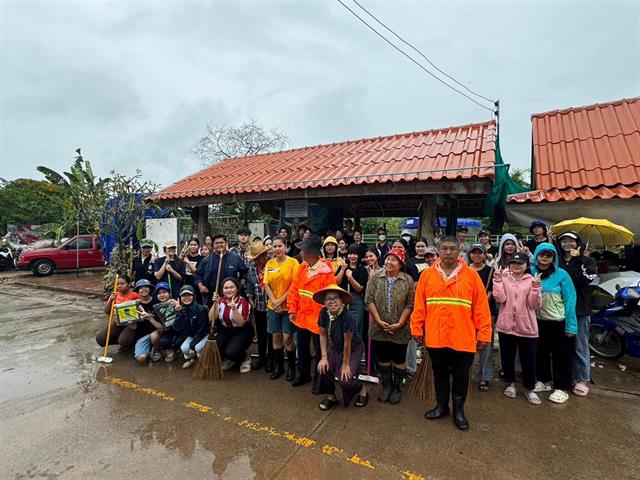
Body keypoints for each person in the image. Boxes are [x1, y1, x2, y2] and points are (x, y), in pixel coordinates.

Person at [410, 236, 492, 430]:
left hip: (463, 338)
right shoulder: (427, 275)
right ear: (438, 250)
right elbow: (419, 306)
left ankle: (458, 411)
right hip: (436, 337)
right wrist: (416, 328)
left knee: (461, 376)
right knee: (439, 374)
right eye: (444, 248)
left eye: (452, 249)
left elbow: (481, 308)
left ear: (459, 251)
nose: (448, 252)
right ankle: (441, 406)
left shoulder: (471, 276)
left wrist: (484, 334)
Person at [365, 248, 415, 404]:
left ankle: (396, 387)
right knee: (383, 357)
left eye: (394, 259)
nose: (389, 262)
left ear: (401, 264)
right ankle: (386, 386)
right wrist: (379, 321)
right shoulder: (375, 278)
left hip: (400, 328)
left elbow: (410, 303)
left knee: (399, 358)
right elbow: (369, 300)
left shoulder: (407, 280)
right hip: (379, 327)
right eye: (387, 259)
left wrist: (400, 323)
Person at [492, 252, 543, 404]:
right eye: (513, 262)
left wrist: (535, 287)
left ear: (527, 265)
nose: (516, 265)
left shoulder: (532, 280)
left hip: (527, 327)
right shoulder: (505, 279)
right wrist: (498, 279)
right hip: (506, 326)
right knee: (507, 358)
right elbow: (500, 298)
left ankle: (530, 388)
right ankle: (511, 383)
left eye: (520, 263)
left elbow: (535, 305)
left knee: (529, 360)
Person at [530, 243, 577, 404]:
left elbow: (570, 299)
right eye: (542, 255)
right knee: (540, 353)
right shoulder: (530, 272)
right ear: (536, 255)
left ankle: (561, 387)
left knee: (561, 356)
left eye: (549, 255)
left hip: (558, 322)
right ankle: (543, 380)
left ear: (554, 257)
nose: (545, 258)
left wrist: (571, 325)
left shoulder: (562, 274)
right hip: (537, 321)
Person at [287, 235, 336, 388]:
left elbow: (331, 296)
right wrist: (292, 310)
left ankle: (319, 379)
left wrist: (326, 318)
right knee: (302, 348)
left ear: (312, 253)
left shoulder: (326, 271)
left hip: (318, 319)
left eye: (303, 250)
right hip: (302, 317)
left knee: (320, 350)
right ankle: (304, 374)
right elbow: (294, 290)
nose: (301, 252)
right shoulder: (302, 267)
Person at [556, 231, 597, 397]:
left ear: (577, 243)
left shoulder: (589, 261)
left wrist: (577, 259)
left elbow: (583, 280)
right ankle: (567, 375)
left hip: (580, 310)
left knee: (580, 345)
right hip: (561, 309)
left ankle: (582, 378)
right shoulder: (558, 261)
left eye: (571, 241)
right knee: (564, 346)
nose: (567, 244)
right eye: (564, 241)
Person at [315, 285, 368, 409]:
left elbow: (347, 344)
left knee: (345, 378)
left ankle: (362, 388)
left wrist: (345, 365)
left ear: (342, 301)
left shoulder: (348, 316)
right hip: (335, 346)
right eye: (328, 299)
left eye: (335, 298)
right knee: (323, 368)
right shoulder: (323, 312)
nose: (332, 301)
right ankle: (331, 396)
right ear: (324, 301)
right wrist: (323, 357)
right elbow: (322, 335)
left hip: (353, 348)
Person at [264, 236, 299, 381]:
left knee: (287, 338)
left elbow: (295, 285)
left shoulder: (293, 263)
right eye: (274, 246)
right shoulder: (269, 264)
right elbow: (266, 284)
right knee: (276, 337)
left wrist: (280, 301)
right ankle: (279, 367)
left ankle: (292, 367)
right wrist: (274, 302)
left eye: (280, 246)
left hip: (288, 306)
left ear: (285, 246)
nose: (277, 249)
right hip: (273, 307)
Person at [467, 243, 496, 392]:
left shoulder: (491, 271)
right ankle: (466, 373)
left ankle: (484, 376)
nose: (476, 255)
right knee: (467, 345)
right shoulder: (464, 271)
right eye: (474, 252)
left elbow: (490, 293)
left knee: (486, 345)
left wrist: (479, 305)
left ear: (485, 255)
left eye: (480, 253)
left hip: (485, 312)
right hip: (466, 314)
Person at [209, 278, 254, 373]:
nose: (229, 290)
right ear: (222, 290)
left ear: (237, 289)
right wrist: (215, 304)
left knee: (232, 352)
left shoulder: (243, 302)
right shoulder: (220, 300)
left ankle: (245, 358)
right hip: (226, 330)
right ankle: (231, 359)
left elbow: (241, 323)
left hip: (242, 331)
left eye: (231, 287)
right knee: (215, 346)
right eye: (226, 288)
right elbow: (211, 318)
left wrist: (234, 309)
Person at [195, 234, 248, 306]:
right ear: (213, 245)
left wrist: (241, 283)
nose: (219, 245)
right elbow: (198, 274)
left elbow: (244, 271)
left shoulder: (235, 258)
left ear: (226, 244)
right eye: (216, 243)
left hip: (231, 295)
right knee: (212, 316)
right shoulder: (206, 260)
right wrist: (200, 286)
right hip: (212, 296)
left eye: (221, 243)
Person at [246, 240, 274, 372]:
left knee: (272, 333)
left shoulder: (272, 264)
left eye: (258, 257)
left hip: (273, 305)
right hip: (259, 305)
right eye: (255, 258)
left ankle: (271, 359)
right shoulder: (252, 266)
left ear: (264, 255)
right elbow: (250, 284)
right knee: (261, 333)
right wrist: (250, 297)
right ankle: (262, 357)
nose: (257, 260)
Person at [96, 274, 140, 350]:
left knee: (124, 341)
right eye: (117, 284)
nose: (119, 286)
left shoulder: (135, 295)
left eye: (122, 284)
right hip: (118, 323)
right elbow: (107, 311)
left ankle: (130, 343)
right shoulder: (115, 295)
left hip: (131, 324)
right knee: (100, 339)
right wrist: (110, 300)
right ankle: (122, 341)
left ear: (129, 284)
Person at [174, 285, 210, 369]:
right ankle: (194, 360)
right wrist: (178, 313)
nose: (186, 298)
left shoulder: (201, 309)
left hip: (203, 335)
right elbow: (177, 328)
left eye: (189, 295)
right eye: (183, 295)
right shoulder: (180, 309)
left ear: (193, 296)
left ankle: (203, 360)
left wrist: (192, 346)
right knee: (184, 348)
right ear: (180, 297)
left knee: (197, 349)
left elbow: (202, 330)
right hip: (192, 335)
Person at [337, 244, 368, 337]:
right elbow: (336, 282)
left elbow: (359, 289)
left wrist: (350, 277)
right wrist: (342, 269)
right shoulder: (343, 266)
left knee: (355, 328)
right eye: (350, 254)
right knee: (341, 327)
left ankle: (355, 350)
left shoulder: (362, 270)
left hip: (356, 301)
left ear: (359, 256)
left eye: (355, 254)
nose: (352, 256)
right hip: (342, 299)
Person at [149, 282, 183, 362]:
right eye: (159, 293)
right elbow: (160, 327)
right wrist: (150, 318)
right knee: (164, 341)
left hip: (178, 329)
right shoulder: (156, 308)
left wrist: (179, 308)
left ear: (169, 293)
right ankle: (168, 349)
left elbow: (184, 319)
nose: (162, 295)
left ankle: (178, 350)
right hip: (167, 330)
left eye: (164, 292)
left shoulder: (176, 302)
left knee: (179, 340)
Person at [132, 279, 162, 363]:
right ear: (137, 290)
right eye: (141, 288)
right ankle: (147, 349)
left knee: (154, 336)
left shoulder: (157, 301)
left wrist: (150, 318)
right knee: (141, 358)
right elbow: (134, 327)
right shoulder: (134, 305)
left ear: (150, 289)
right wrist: (128, 322)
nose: (144, 289)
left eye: (146, 287)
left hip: (157, 332)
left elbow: (162, 327)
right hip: (142, 335)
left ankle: (157, 350)